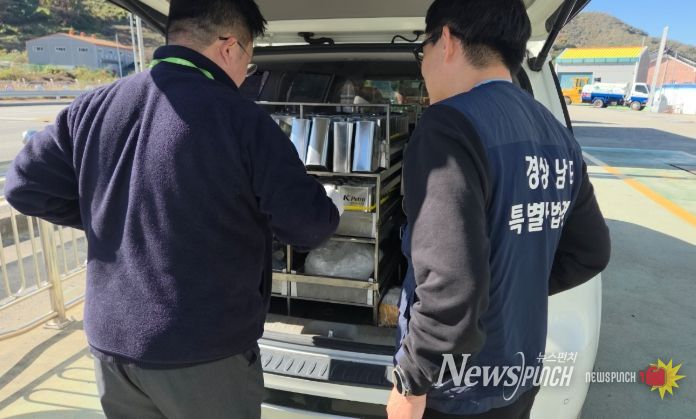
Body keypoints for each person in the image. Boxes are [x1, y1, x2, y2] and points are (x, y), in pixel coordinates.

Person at [3, 1, 341, 418]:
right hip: (202, 350)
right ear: (230, 47)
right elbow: (308, 226)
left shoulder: (92, 106)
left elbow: (23, 187)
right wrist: (328, 203)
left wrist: (111, 215)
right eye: (249, 63)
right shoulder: (242, 119)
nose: (244, 75)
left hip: (112, 344)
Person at [387, 1, 611, 418]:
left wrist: (411, 383)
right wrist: (512, 290)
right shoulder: (555, 134)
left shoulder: (448, 126)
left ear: (446, 40)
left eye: (422, 50)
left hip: (456, 389)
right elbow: (591, 252)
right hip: (518, 374)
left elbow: (451, 290)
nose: (423, 67)